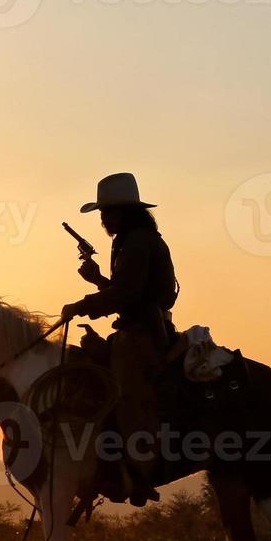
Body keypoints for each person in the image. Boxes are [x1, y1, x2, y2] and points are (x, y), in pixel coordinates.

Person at [61, 172, 179, 506]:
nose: (103, 219)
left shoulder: (139, 241)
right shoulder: (129, 241)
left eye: (107, 212)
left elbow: (126, 294)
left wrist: (82, 305)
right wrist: (98, 279)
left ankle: (140, 469)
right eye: (102, 213)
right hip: (134, 326)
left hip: (142, 334)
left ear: (124, 212)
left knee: (125, 392)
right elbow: (125, 291)